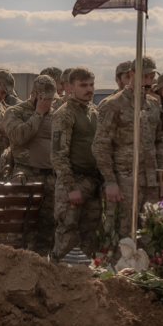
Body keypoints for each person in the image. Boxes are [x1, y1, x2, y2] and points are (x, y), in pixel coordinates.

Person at [95, 57, 163, 242]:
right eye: (144, 76)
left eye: (151, 76)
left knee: (150, 232)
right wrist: (110, 181)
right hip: (124, 181)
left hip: (151, 181)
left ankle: (146, 270)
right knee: (122, 233)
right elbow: (101, 145)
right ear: (131, 75)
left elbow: (159, 143)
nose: (148, 81)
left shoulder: (153, 106)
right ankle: (117, 270)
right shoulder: (113, 104)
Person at [50, 67, 103, 261]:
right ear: (70, 87)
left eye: (91, 85)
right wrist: (71, 186)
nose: (89, 89)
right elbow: (58, 155)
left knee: (90, 237)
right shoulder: (65, 114)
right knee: (68, 234)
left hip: (92, 182)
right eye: (83, 85)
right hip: (72, 183)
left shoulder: (93, 112)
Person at [5, 74, 58, 256]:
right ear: (33, 93)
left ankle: (42, 265)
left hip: (50, 177)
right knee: (20, 225)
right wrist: (38, 114)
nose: (48, 102)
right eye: (44, 98)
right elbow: (17, 137)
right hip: (25, 176)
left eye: (51, 98)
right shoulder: (16, 111)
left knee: (47, 227)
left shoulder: (56, 112)